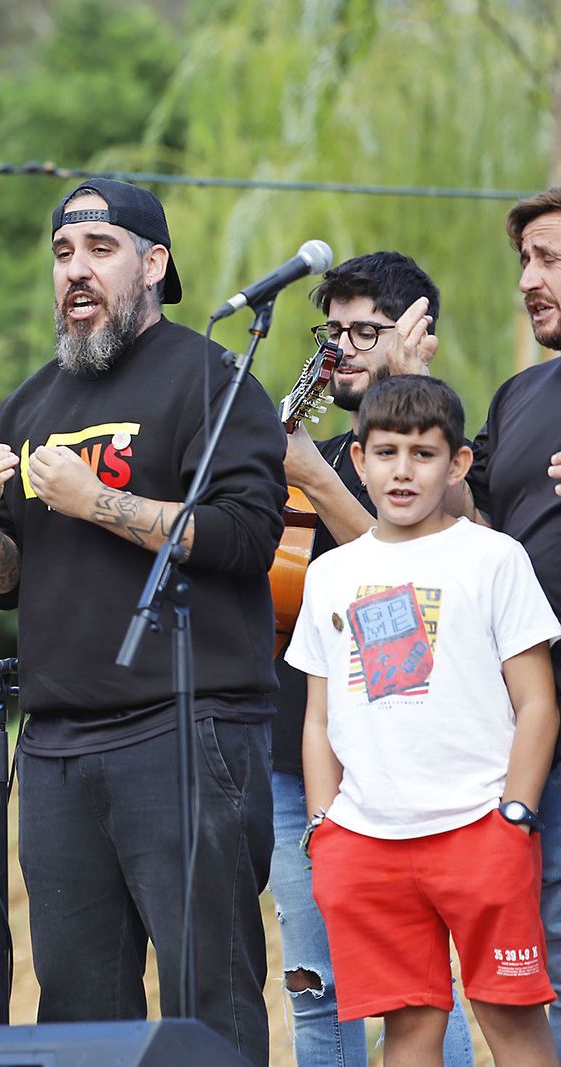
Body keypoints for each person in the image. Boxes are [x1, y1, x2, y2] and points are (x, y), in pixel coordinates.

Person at [0, 178, 284, 1062]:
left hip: (185, 727)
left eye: (100, 251)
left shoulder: (212, 376)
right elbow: (6, 585)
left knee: (205, 996)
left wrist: (102, 500)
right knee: (77, 1010)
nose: (77, 272)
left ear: (153, 264)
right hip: (61, 742)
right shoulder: (32, 403)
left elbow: (247, 535)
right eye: (64, 254)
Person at [291, 374, 560, 1064]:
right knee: (408, 1030)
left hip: (480, 829)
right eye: (385, 453)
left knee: (512, 1021)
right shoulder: (331, 573)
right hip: (366, 841)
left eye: (422, 453)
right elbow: (319, 717)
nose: (402, 471)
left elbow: (537, 701)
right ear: (358, 460)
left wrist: (516, 815)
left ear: (458, 463)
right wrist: (324, 828)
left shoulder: (493, 557)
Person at [274, 254, 474, 1062]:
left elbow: (409, 580)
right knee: (314, 986)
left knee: (417, 991)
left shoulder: (442, 460)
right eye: (333, 333)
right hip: (297, 752)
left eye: (367, 331)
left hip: (402, 757)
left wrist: (318, 477)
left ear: (417, 333)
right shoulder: (305, 461)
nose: (343, 350)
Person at [469, 186, 561, 1052]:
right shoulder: (520, 395)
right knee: (532, 954)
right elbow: (471, 527)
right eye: (526, 261)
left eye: (550, 259)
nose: (528, 281)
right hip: (524, 722)